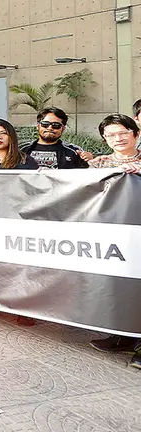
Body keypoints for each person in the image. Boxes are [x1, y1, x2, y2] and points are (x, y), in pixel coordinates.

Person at [87, 114, 141, 368]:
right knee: (119, 286)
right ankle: (123, 336)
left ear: (135, 134)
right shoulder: (99, 164)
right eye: (110, 135)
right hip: (113, 237)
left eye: (122, 133)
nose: (117, 138)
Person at [19, 107, 90, 169]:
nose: (50, 128)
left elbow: (87, 175)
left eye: (56, 125)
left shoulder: (75, 151)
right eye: (45, 124)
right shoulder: (21, 150)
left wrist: (90, 161)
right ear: (38, 126)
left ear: (63, 129)